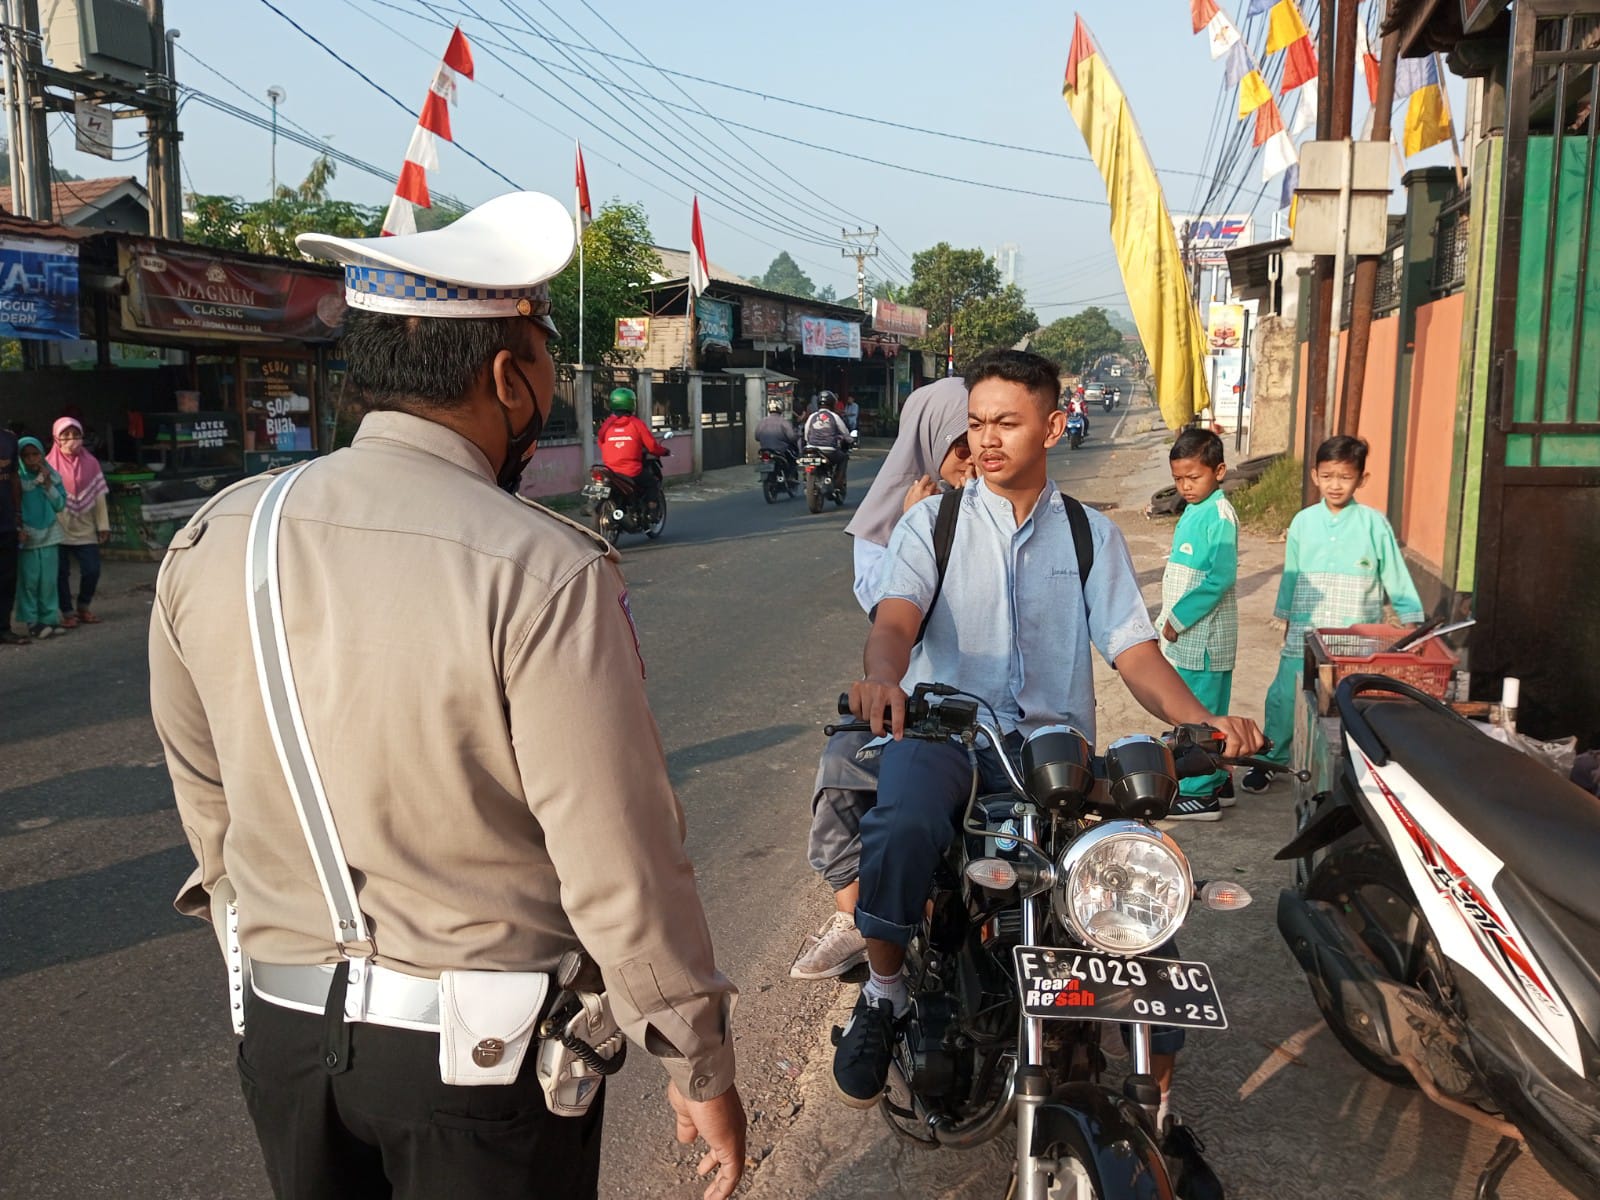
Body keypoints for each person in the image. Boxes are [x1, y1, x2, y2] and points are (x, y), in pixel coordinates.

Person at [149, 192, 744, 1200]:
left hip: (287, 1043)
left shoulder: (214, 538)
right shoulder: (538, 566)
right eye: (546, 363)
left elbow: (208, 810)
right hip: (483, 1067)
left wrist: (267, 963)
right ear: (511, 377)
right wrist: (694, 1056)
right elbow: (617, 859)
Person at [835, 349, 1262, 1154]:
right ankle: (885, 992)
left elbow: (1134, 654)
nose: (987, 440)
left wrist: (1206, 721)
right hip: (950, 734)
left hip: (1054, 753)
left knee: (1136, 876)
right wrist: (883, 679)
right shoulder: (935, 521)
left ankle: (1157, 1100)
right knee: (899, 822)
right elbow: (893, 619)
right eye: (976, 423)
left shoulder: (1089, 533)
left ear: (1054, 426)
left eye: (1006, 422)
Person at [791, 378, 973, 981]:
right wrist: (913, 529)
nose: (975, 460)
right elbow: (892, 621)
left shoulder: (1014, 512)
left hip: (1001, 712)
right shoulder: (889, 525)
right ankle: (858, 923)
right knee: (841, 773)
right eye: (961, 446)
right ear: (927, 445)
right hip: (919, 701)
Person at [1247, 434, 1423, 792]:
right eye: (1327, 476)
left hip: (1354, 633)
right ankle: (1271, 759)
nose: (1335, 485)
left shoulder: (1374, 525)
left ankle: (1351, 765)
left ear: (1362, 479)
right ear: (1315, 476)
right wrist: (1286, 619)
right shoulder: (1302, 523)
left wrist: (1411, 623)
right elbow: (1292, 574)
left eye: (1344, 477)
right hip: (1306, 627)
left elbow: (1395, 576)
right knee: (1285, 694)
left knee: (1347, 700)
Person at [1157, 429, 1239, 822]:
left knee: (1198, 717)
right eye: (1178, 479)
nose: (1186, 486)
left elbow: (1219, 579)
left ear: (1219, 471)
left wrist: (1178, 618)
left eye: (1194, 478)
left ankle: (1198, 793)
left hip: (1204, 641)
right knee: (1190, 710)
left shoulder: (1220, 516)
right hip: (1187, 639)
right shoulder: (1194, 509)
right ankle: (1219, 781)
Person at [48, 417, 110, 628]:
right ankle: (67, 612)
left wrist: (103, 525)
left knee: (92, 569)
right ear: (56, 439)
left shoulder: (91, 463)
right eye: (65, 436)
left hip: (85, 527)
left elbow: (99, 496)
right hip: (58, 527)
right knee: (60, 573)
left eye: (76, 436)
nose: (71, 441)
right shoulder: (48, 465)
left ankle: (83, 606)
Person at [17, 437, 66, 640]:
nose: (31, 459)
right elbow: (13, 505)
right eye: (26, 455)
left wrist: (47, 484)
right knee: (29, 580)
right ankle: (32, 622)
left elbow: (60, 505)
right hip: (27, 534)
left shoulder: (51, 475)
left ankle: (49, 619)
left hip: (49, 532)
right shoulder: (17, 480)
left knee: (48, 580)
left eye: (35, 454)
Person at [597, 387, 670, 515]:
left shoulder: (607, 424)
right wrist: (664, 451)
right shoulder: (636, 423)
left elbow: (601, 442)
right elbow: (652, 447)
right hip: (631, 471)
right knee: (652, 482)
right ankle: (652, 510)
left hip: (610, 471)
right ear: (632, 403)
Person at [0, 426, 26, 645]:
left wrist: (18, 513)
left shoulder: (9, 439)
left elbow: (14, 477)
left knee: (7, 578)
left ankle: (4, 628)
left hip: (6, 522)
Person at [803, 391, 853, 494]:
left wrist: (809, 443)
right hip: (829, 450)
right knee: (844, 458)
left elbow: (806, 432)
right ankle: (838, 483)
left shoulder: (812, 416)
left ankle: (806, 479)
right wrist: (850, 440)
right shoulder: (834, 416)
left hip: (812, 448)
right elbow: (845, 432)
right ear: (832, 403)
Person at [753, 398, 800, 464]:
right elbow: (792, 437)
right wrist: (797, 436)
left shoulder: (762, 422)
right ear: (781, 408)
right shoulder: (784, 422)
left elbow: (757, 437)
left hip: (764, 449)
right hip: (781, 450)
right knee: (792, 461)